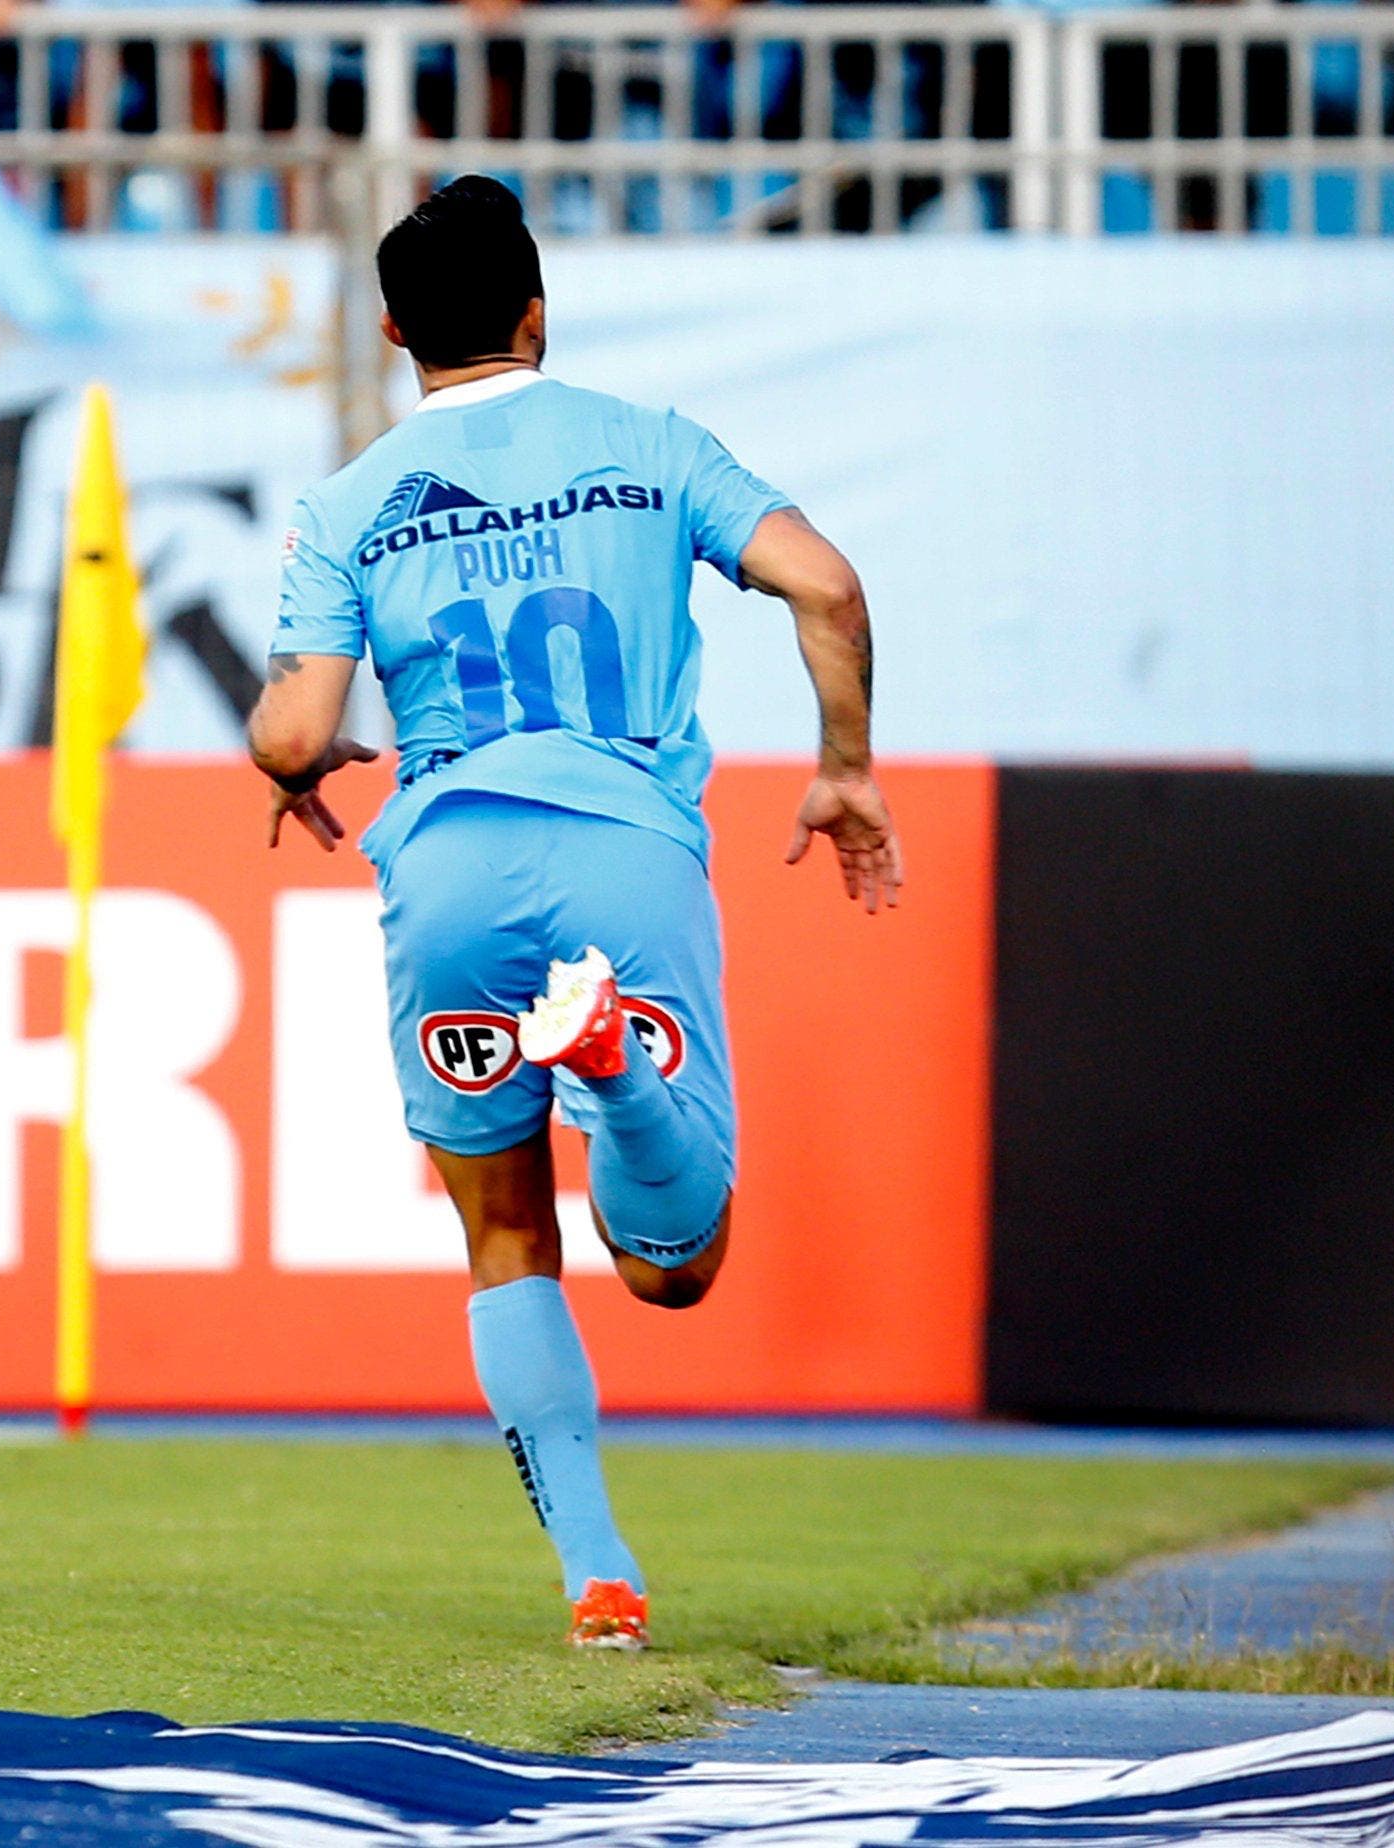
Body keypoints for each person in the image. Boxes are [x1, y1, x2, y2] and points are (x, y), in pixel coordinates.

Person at [248, 174, 902, 1649]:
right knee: (676, 1271)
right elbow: (831, 587)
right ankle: (610, 1065)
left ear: (397, 326)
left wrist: (295, 758)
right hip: (628, 853)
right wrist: (844, 769)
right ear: (540, 309)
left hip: (450, 865)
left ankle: (597, 1575)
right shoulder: (652, 446)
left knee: (506, 1237)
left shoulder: (348, 505)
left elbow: (296, 734)